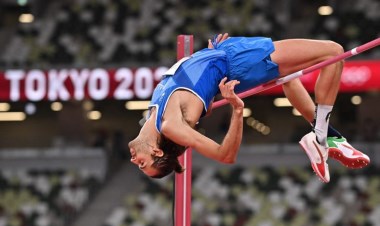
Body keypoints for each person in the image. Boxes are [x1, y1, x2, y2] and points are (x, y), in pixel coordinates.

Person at [128, 34, 370, 182]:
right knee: (333, 52)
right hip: (238, 62)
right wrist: (236, 109)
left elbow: (201, 100)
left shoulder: (153, 113)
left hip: (226, 53)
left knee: (288, 77)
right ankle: (321, 137)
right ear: (156, 152)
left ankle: (328, 137)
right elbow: (226, 155)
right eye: (142, 163)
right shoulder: (171, 125)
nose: (133, 160)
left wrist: (209, 55)